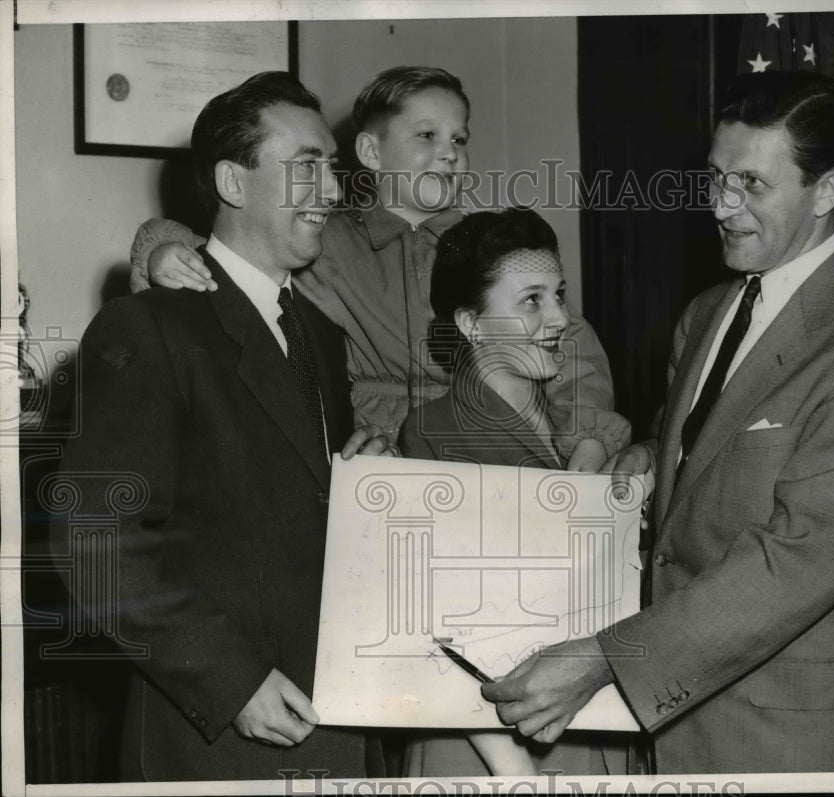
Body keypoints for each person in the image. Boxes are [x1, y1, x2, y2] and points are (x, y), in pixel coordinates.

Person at [479, 71, 834, 773]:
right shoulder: (705, 315)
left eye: (751, 185)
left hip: (791, 741)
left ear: (828, 191)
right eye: (715, 178)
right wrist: (642, 460)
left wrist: (610, 655)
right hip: (672, 730)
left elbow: (800, 561)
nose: (721, 206)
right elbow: (698, 457)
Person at [49, 72, 390, 781]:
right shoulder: (149, 327)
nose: (331, 189)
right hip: (218, 735)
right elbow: (96, 540)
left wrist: (361, 483)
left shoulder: (321, 333)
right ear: (233, 183)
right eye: (307, 167)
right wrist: (232, 681)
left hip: (338, 722)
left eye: (331, 166)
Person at [129, 66, 624, 468]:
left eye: (460, 138)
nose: (449, 152)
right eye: (427, 135)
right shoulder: (323, 237)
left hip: (478, 447)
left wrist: (589, 438)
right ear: (370, 152)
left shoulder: (489, 247)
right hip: (371, 455)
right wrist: (161, 250)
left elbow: (570, 345)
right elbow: (235, 249)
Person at [398, 208, 631, 777]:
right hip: (493, 750)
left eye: (559, 294)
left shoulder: (576, 424)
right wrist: (518, 777)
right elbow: (438, 630)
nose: (560, 316)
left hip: (592, 730)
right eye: (531, 300)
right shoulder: (438, 431)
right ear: (472, 323)